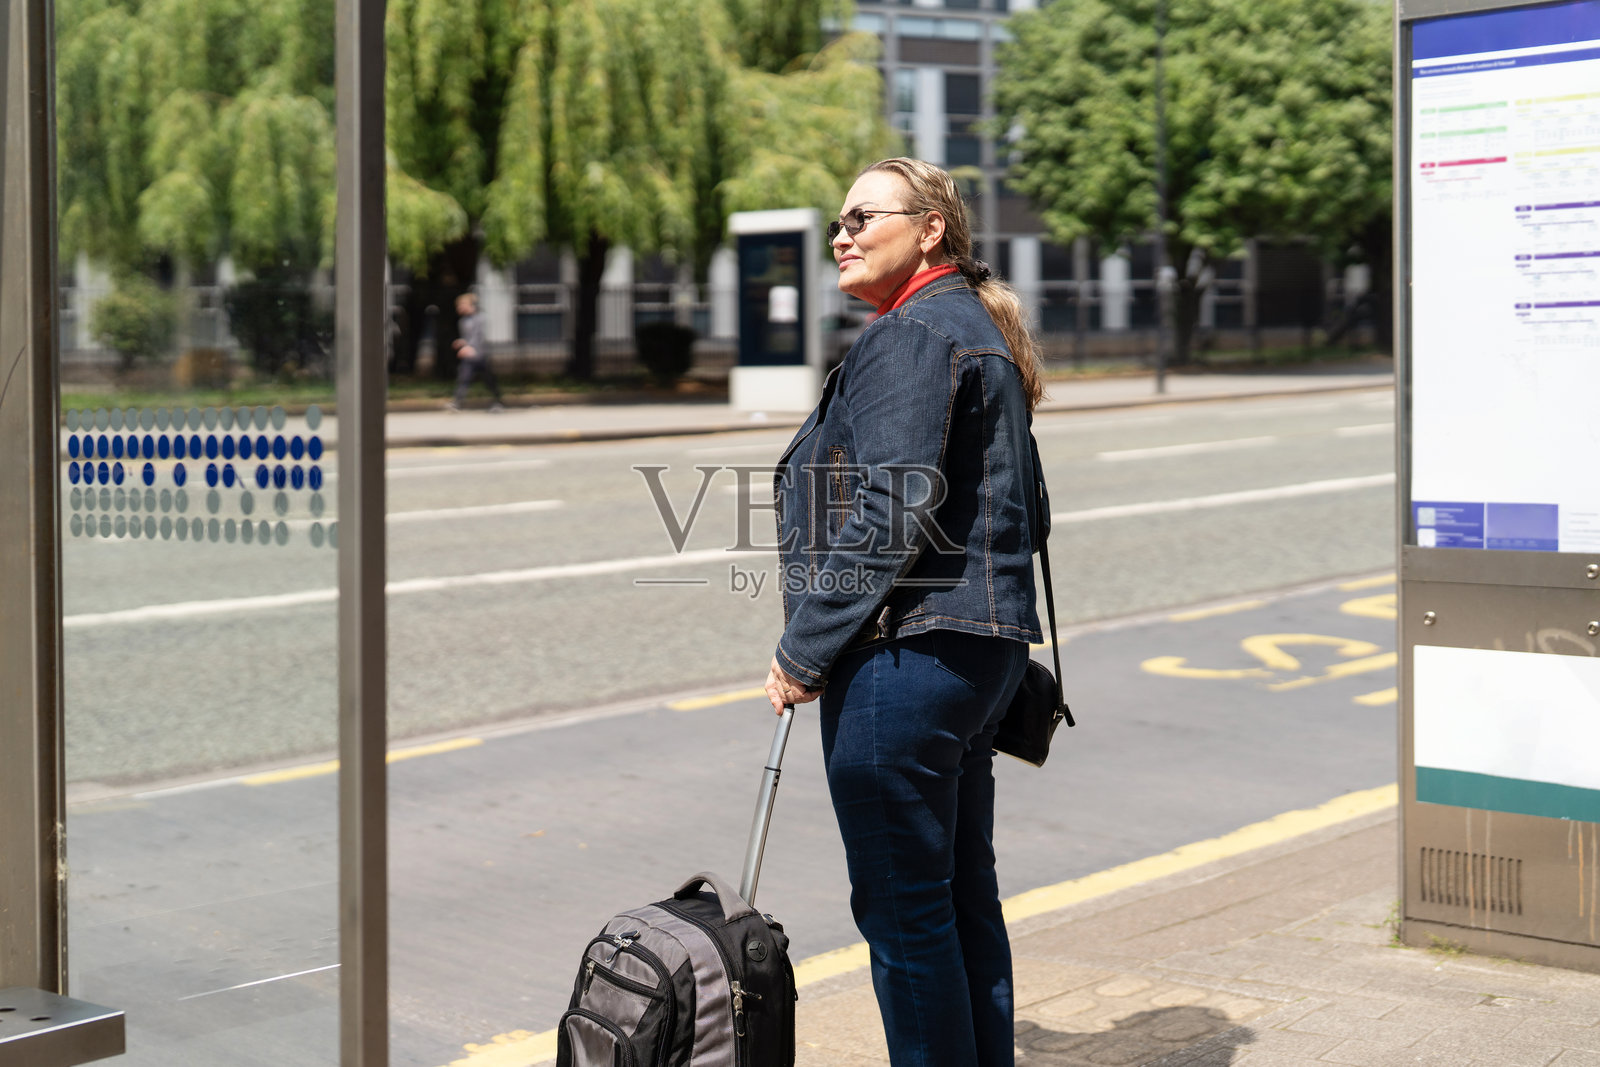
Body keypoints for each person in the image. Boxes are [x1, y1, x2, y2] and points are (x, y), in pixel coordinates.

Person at [762, 157, 1047, 1066]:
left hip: (904, 660)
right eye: (837, 222)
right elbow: (1027, 513)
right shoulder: (973, 328)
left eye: (862, 218)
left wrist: (804, 648)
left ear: (930, 229)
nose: (841, 236)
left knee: (904, 913)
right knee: (959, 900)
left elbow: (892, 508)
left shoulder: (913, 333)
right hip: (975, 655)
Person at [447, 292, 505, 412]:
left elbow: (479, 336)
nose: (459, 308)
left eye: (461, 305)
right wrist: (462, 342)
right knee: (464, 377)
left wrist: (470, 348)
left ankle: (498, 401)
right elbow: (469, 337)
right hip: (469, 356)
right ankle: (457, 402)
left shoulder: (481, 318)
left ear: (471, 305)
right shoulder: (463, 321)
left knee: (488, 379)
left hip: (481, 354)